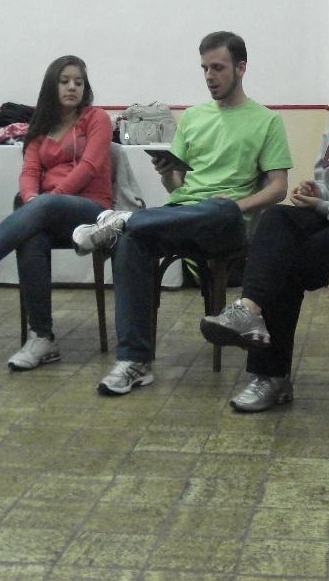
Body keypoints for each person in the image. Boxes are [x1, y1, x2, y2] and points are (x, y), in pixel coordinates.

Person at [71, 31, 292, 395]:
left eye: (218, 68)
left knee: (216, 209)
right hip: (183, 212)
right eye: (204, 68)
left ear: (241, 68)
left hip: (228, 222)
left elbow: (278, 188)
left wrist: (235, 205)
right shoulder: (192, 117)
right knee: (130, 243)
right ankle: (134, 361)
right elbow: (178, 187)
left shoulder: (266, 121)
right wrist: (168, 172)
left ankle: (124, 219)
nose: (209, 76)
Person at [198, 39, 329, 412]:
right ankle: (249, 309)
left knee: (283, 267)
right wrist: (315, 190)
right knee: (276, 217)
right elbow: (326, 179)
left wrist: (326, 203)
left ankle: (270, 375)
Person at [0, 55, 112, 370]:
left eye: (78, 82)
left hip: (92, 209)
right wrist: (32, 200)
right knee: (30, 236)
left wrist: (44, 202)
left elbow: (89, 167)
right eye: (64, 81)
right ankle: (42, 337)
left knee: (40, 210)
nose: (72, 87)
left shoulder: (97, 118)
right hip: (47, 211)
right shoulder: (41, 128)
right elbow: (29, 172)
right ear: (51, 86)